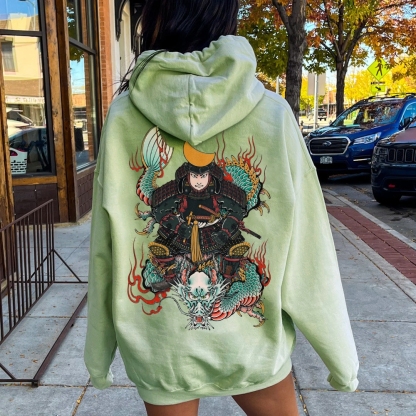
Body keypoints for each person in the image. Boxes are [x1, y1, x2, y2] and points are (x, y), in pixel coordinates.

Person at [84, 1, 359, 415]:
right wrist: (342, 360)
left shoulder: (123, 117)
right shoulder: (273, 114)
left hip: (162, 351)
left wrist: (98, 354)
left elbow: (105, 247)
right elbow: (310, 249)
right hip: (251, 348)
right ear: (226, 16)